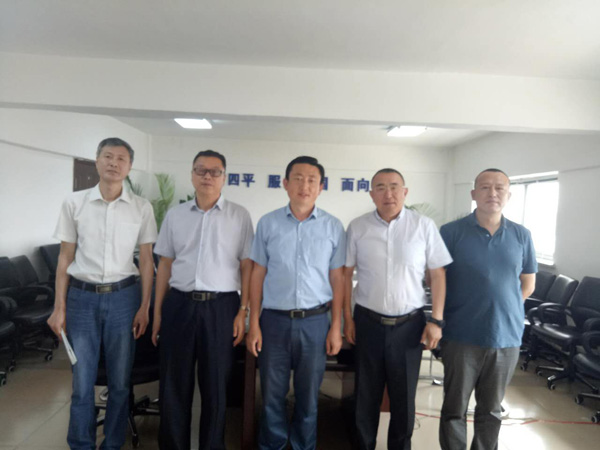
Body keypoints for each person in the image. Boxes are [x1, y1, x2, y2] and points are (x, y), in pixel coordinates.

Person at [47, 137, 157, 450]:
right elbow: (65, 258)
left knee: (120, 382)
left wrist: (145, 306)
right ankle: (81, 444)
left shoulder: (141, 207)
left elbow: (146, 260)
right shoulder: (75, 203)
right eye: (107, 156)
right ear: (97, 161)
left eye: (121, 158)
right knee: (82, 382)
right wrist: (59, 307)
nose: (113, 163)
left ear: (130, 167)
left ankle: (112, 444)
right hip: (81, 299)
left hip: (124, 298)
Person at [343, 168, 452, 450]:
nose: (388, 193)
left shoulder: (423, 226)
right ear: (371, 194)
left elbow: (438, 274)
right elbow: (345, 274)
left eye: (394, 186)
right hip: (367, 322)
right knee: (365, 397)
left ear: (405, 192)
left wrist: (436, 320)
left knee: (403, 400)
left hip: (409, 326)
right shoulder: (358, 227)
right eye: (380, 187)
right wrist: (347, 319)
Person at [152, 149, 254, 450]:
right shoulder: (175, 215)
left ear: (224, 177)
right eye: (201, 170)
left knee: (216, 386)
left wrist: (243, 311)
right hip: (179, 304)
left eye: (214, 171)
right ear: (192, 175)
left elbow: (247, 266)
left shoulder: (239, 216)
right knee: (174, 384)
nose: (207, 176)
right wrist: (157, 313)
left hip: (222, 307)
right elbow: (165, 264)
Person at [246, 156, 345, 450]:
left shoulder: (333, 226)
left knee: (309, 395)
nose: (305, 185)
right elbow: (257, 274)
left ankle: (303, 445)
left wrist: (336, 326)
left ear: (321, 187)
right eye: (298, 178)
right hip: (273, 321)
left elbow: (338, 278)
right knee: (272, 394)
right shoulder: (268, 223)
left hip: (315, 322)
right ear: (286, 183)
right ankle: (272, 445)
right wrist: (254, 323)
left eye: (312, 180)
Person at [439, 168, 537, 450]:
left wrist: (504, 307)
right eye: (484, 187)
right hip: (460, 335)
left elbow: (528, 284)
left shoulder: (521, 235)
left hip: (505, 337)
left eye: (499, 188)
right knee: (454, 408)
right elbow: (437, 278)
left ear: (508, 195)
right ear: (473, 194)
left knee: (491, 410)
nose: (492, 193)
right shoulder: (451, 232)